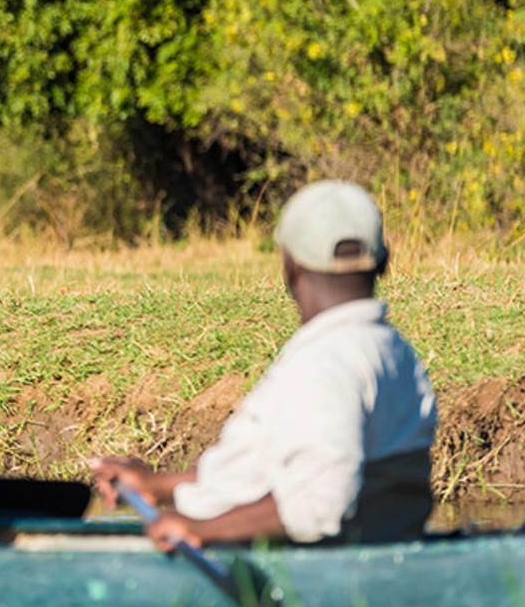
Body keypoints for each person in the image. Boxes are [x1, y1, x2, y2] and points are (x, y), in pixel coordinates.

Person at [90, 180, 436, 551]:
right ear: (382, 262)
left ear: (290, 266)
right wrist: (160, 487)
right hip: (365, 551)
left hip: (250, 558)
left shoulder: (325, 363)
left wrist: (198, 528)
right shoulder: (393, 350)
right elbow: (282, 474)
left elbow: (318, 505)